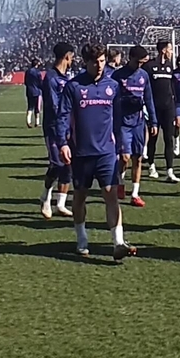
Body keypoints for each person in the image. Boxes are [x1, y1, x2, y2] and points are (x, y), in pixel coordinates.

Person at [57, 43, 136, 260]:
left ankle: (118, 242)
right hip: (81, 152)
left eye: (102, 61)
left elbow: (117, 118)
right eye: (95, 62)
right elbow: (62, 116)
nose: (100, 65)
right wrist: (63, 143)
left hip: (106, 152)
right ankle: (81, 238)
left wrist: (119, 145)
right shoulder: (73, 86)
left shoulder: (113, 86)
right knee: (80, 195)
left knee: (111, 194)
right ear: (86, 62)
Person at [112, 46, 158, 208]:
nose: (140, 65)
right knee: (124, 157)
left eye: (143, 62)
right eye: (138, 62)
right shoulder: (118, 75)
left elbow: (149, 99)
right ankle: (120, 181)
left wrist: (153, 121)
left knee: (137, 158)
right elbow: (112, 99)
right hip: (123, 122)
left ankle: (135, 194)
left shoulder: (144, 75)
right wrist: (126, 100)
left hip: (138, 123)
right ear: (130, 58)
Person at [40, 42, 75, 219]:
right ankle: (46, 198)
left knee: (68, 164)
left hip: (68, 127)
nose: (73, 60)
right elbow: (54, 106)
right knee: (57, 164)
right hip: (53, 127)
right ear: (67, 56)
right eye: (72, 57)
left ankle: (61, 203)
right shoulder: (51, 78)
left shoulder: (67, 78)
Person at [144, 40, 179, 183]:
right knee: (153, 138)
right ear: (163, 50)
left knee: (168, 139)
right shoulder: (149, 66)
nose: (171, 52)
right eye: (170, 49)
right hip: (154, 109)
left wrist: (175, 109)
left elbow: (172, 88)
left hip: (168, 108)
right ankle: (151, 166)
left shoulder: (170, 67)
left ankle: (170, 170)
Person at [24, 58, 44, 129]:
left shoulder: (28, 71)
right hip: (37, 91)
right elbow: (40, 82)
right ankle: (37, 122)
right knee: (37, 107)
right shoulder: (38, 72)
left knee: (30, 107)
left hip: (29, 91)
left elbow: (25, 82)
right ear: (37, 64)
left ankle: (28, 121)